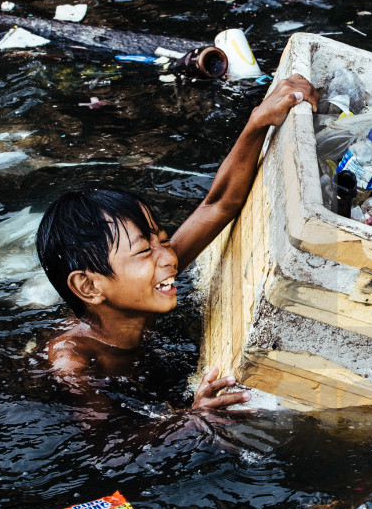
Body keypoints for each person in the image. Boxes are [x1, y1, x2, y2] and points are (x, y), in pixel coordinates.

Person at [36, 74, 319, 414]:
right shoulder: (74, 364)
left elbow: (218, 206)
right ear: (89, 286)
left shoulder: (138, 288)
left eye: (164, 240)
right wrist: (191, 419)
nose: (169, 257)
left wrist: (258, 121)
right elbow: (104, 458)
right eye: (145, 249)